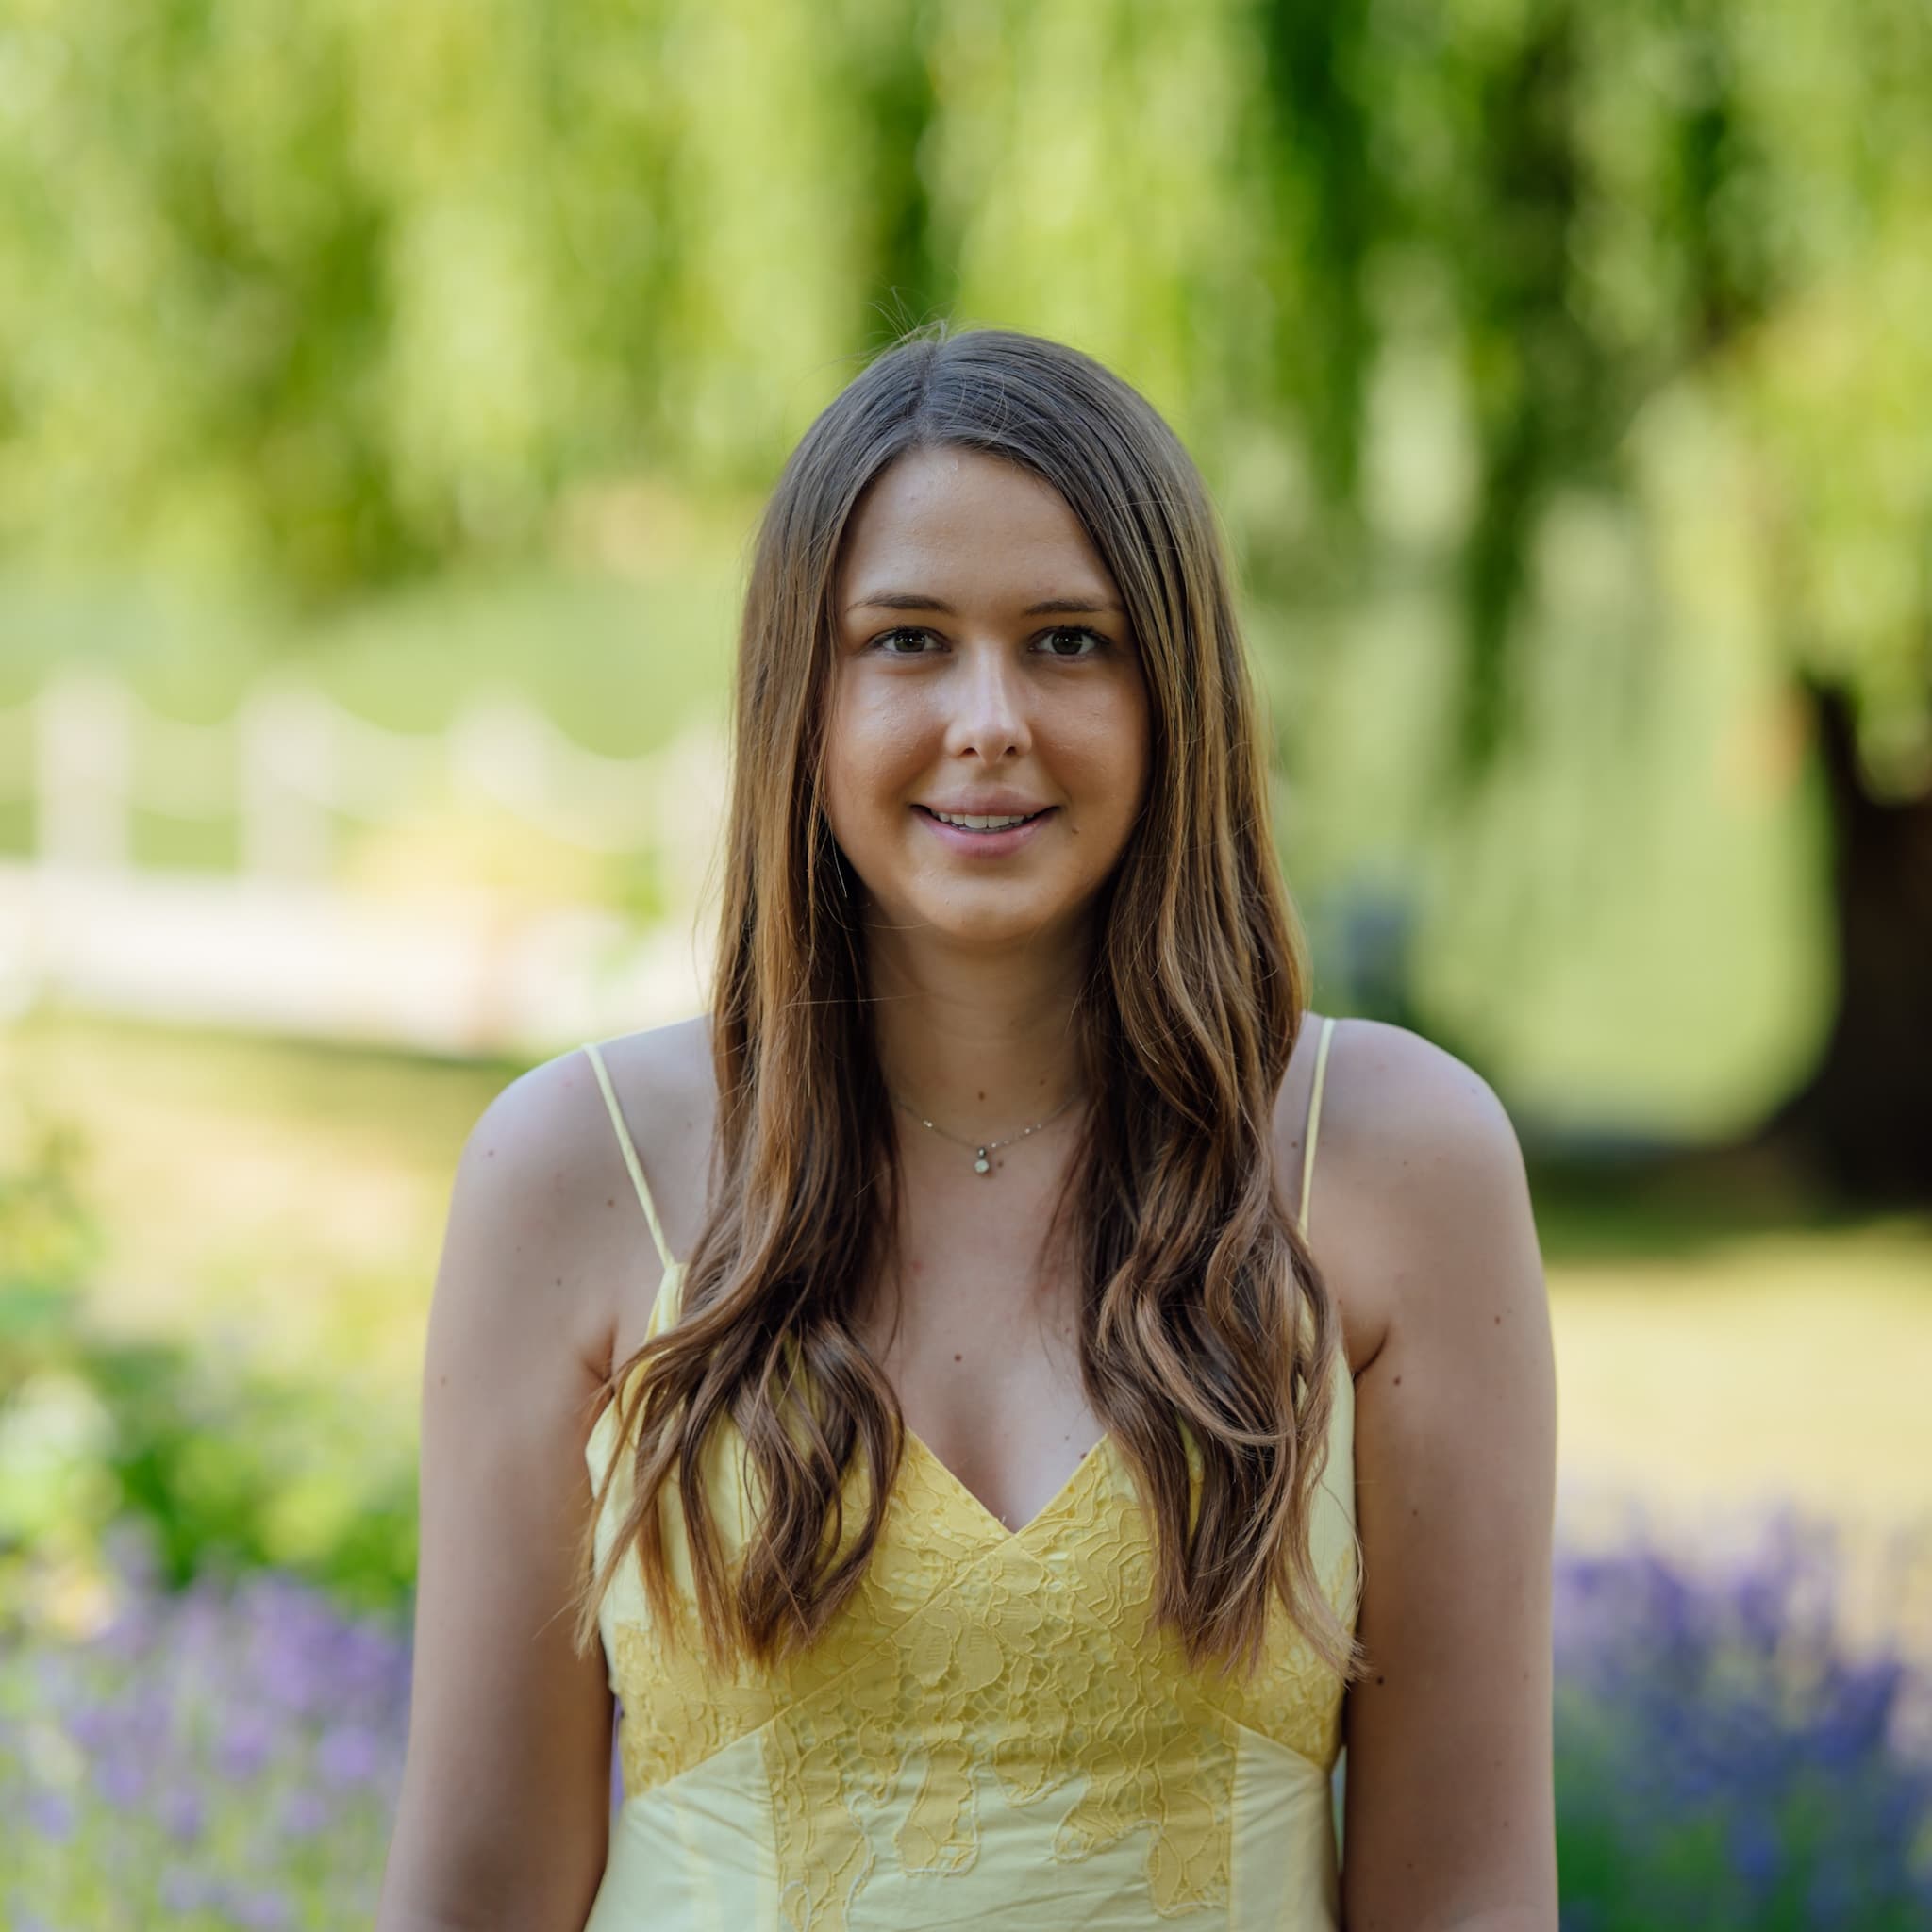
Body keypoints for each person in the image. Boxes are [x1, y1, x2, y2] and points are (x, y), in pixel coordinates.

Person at [375, 325, 1557, 1931]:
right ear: (804, 693)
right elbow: (475, 1895)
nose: (990, 718)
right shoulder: (574, 1171)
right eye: (908, 641)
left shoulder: (1395, 1156)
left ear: (1177, 693)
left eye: (1070, 642)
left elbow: (1470, 1895)